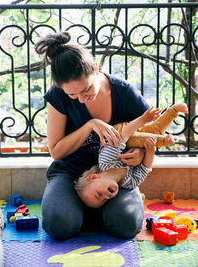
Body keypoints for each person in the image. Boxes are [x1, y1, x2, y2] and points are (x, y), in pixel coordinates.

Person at [34, 31, 153, 240]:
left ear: (96, 69)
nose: (81, 99)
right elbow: (56, 151)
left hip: (114, 173)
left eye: (86, 89)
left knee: (127, 225)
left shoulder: (123, 92)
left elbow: (152, 133)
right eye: (73, 95)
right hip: (71, 172)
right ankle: (81, 210)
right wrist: (90, 125)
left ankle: (89, 210)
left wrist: (141, 153)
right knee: (58, 225)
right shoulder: (57, 96)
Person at [74, 103, 188, 208]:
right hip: (135, 141)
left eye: (99, 194)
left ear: (93, 177)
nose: (106, 197)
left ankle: (162, 140)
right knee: (155, 131)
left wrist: (144, 119)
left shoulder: (106, 161)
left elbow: (124, 135)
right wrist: (150, 151)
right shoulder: (129, 184)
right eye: (104, 200)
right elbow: (145, 169)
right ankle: (174, 110)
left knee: (135, 140)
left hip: (120, 132)